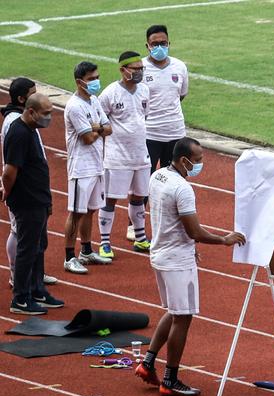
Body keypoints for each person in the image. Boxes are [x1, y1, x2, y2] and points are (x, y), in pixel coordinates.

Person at [133, 138, 245, 396]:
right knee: (183, 317)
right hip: (176, 259)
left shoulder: (158, 175)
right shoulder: (182, 188)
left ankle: (148, 362)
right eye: (197, 160)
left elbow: (169, 218)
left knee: (174, 312)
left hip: (161, 252)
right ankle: (170, 379)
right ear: (184, 160)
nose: (200, 164)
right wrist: (223, 239)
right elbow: (193, 230)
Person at [3, 93, 61, 315]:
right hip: (27, 201)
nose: (49, 118)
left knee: (38, 247)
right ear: (30, 111)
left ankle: (37, 291)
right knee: (27, 249)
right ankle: (20, 298)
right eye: (46, 113)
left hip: (38, 198)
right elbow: (9, 171)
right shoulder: (19, 133)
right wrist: (8, 192)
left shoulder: (31, 130)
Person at [97, 52, 151, 260]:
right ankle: (104, 242)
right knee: (110, 199)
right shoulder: (110, 93)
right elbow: (100, 120)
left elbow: (143, 117)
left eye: (141, 68)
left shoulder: (145, 90)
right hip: (117, 157)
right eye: (135, 69)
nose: (139, 72)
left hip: (140, 154)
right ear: (123, 70)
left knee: (139, 196)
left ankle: (140, 238)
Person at [63, 61, 111, 274]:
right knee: (76, 212)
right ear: (79, 82)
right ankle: (69, 257)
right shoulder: (74, 106)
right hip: (81, 167)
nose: (96, 82)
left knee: (91, 210)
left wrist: (96, 128)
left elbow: (108, 129)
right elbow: (89, 138)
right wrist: (97, 128)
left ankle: (86, 250)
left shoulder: (94, 101)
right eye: (91, 79)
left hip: (97, 165)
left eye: (96, 77)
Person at [143, 25, 189, 173]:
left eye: (163, 43)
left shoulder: (180, 66)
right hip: (149, 134)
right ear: (147, 46)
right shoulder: (140, 68)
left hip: (176, 133)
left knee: (173, 182)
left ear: (169, 43)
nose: (160, 47)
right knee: (143, 184)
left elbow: (181, 95)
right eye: (155, 44)